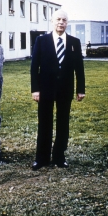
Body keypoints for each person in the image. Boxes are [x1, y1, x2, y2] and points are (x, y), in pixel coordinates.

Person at [30, 9, 85, 170]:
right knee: (44, 123)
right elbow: (34, 67)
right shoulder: (42, 41)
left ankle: (59, 157)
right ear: (52, 22)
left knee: (63, 123)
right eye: (58, 19)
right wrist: (35, 89)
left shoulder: (74, 42)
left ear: (67, 23)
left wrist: (80, 89)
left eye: (64, 20)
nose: (61, 22)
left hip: (65, 90)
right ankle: (42, 158)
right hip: (45, 89)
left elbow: (79, 69)